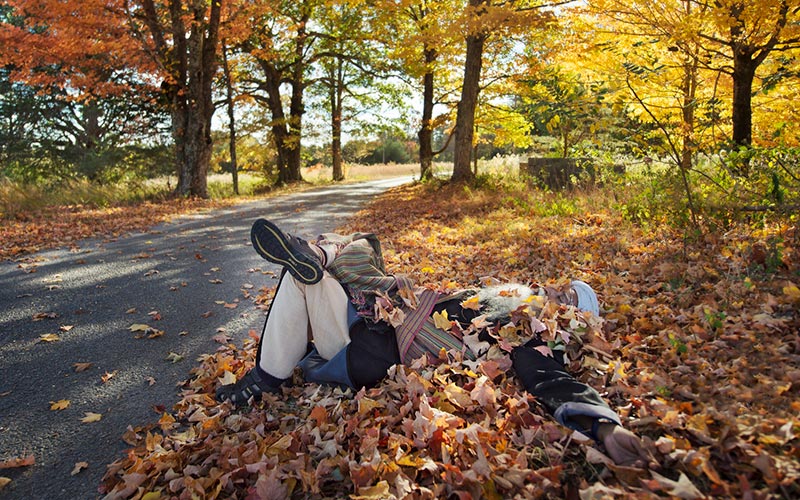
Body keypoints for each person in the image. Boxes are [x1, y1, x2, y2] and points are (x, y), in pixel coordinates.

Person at [216, 219, 653, 468]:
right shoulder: (510, 297)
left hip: (379, 352)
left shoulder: (537, 333)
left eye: (568, 299)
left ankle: (264, 376)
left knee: (302, 277)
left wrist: (605, 425)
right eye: (562, 289)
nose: (556, 294)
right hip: (384, 313)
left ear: (574, 318)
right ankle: (320, 257)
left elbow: (549, 377)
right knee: (351, 249)